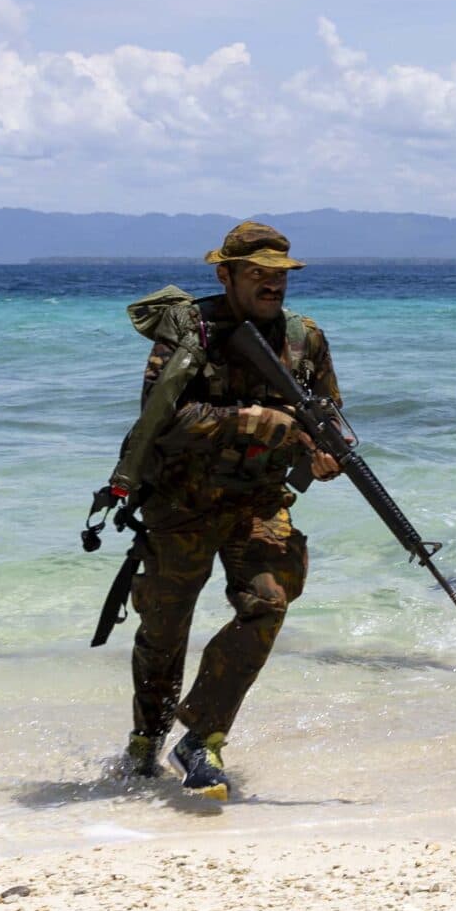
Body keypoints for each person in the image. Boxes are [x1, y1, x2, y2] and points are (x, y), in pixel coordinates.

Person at [123, 221, 345, 798]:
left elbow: (327, 416)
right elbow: (165, 419)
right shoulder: (190, 334)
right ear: (225, 274)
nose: (273, 286)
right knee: (164, 630)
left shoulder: (305, 340)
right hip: (181, 502)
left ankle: (202, 738)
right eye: (258, 275)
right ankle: (146, 738)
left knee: (269, 602)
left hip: (259, 502)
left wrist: (323, 454)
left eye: (280, 276)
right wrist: (258, 420)